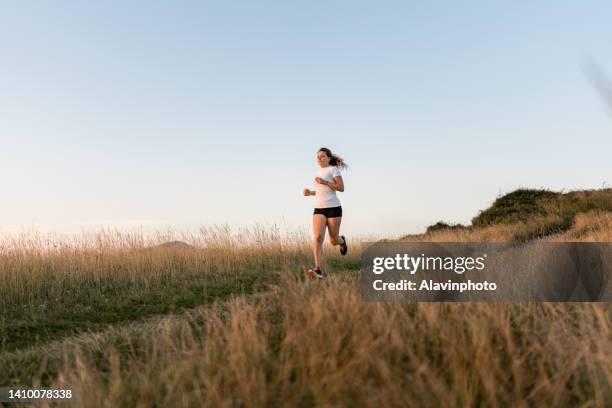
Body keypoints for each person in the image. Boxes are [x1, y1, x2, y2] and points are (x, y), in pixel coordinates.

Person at [303, 147, 348, 279]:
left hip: (334, 207)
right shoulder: (317, 172)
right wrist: (310, 193)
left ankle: (342, 241)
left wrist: (325, 182)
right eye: (317, 156)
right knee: (317, 237)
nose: (319, 158)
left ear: (328, 158)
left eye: (322, 156)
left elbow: (341, 188)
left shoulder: (333, 169)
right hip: (319, 208)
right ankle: (317, 268)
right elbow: (321, 191)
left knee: (333, 240)